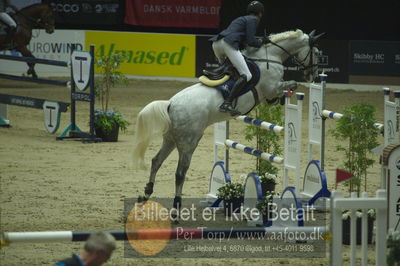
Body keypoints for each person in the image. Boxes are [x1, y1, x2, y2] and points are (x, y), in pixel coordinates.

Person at [209, 1, 269, 115]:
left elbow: (244, 40)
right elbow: (251, 41)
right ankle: (227, 102)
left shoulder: (241, 19)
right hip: (227, 44)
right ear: (260, 14)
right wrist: (262, 41)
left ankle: (220, 92)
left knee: (227, 71)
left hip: (217, 44)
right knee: (247, 75)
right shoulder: (253, 20)